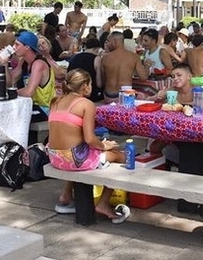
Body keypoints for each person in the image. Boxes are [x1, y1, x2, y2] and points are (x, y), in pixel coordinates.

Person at [47, 69, 129, 223]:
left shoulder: (55, 101)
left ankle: (66, 194)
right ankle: (103, 203)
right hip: (74, 159)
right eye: (90, 84)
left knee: (86, 151)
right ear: (85, 86)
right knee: (122, 156)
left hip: (54, 156)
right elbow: (90, 139)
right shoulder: (86, 104)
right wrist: (104, 146)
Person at [10, 31, 56, 115]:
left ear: (27, 47)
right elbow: (10, 82)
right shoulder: (23, 61)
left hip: (44, 108)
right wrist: (4, 64)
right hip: (29, 105)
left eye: (17, 44)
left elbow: (29, 92)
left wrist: (10, 93)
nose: (14, 47)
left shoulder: (38, 63)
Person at [98, 31, 148, 103]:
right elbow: (143, 77)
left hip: (108, 96)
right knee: (143, 96)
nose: (107, 44)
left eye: (108, 41)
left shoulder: (105, 58)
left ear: (114, 41)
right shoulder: (134, 57)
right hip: (126, 95)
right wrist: (147, 67)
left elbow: (103, 80)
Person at [67, 37, 104, 102]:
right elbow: (99, 83)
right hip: (90, 95)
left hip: (74, 93)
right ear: (97, 50)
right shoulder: (97, 59)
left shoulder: (74, 57)